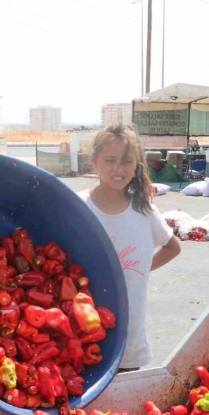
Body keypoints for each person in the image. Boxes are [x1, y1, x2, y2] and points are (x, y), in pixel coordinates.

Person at [78, 124, 181, 372]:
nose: (118, 169)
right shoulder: (79, 206)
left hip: (128, 331)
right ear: (95, 161)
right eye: (110, 160)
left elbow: (172, 247)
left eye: (126, 162)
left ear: (136, 166)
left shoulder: (144, 211)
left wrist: (142, 268)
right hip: (81, 328)